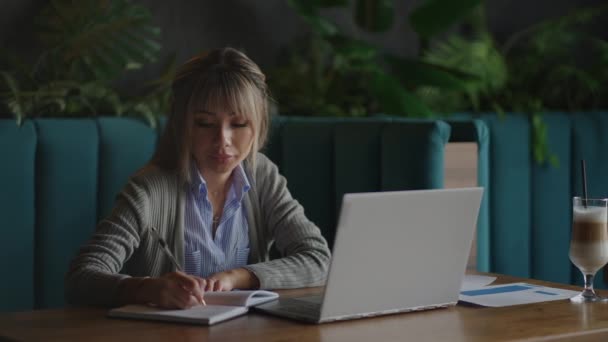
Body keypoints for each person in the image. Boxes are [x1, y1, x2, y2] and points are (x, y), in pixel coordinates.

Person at [65, 47, 331, 309]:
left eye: (238, 124)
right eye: (205, 124)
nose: (222, 140)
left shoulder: (262, 175)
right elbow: (81, 278)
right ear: (183, 125)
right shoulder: (148, 190)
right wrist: (146, 288)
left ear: (258, 125)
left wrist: (239, 276)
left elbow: (318, 259)